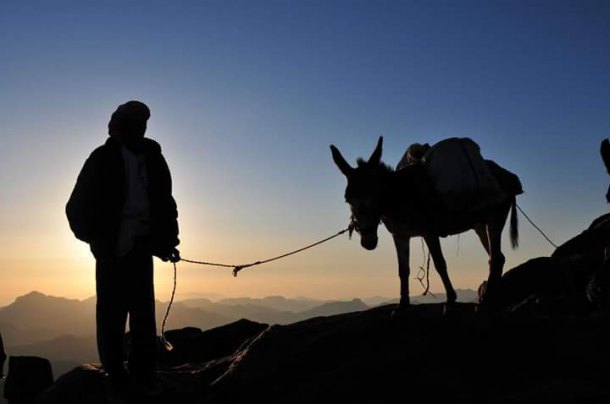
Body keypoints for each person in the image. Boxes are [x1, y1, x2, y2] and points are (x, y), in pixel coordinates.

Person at [66, 100, 180, 396]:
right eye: (134, 122)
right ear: (120, 126)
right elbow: (76, 208)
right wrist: (99, 241)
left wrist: (167, 240)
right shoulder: (101, 158)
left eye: (142, 123)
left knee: (141, 313)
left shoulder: (153, 158)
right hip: (112, 250)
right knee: (112, 314)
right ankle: (116, 373)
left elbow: (165, 203)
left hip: (141, 246)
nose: (140, 128)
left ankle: (142, 374)